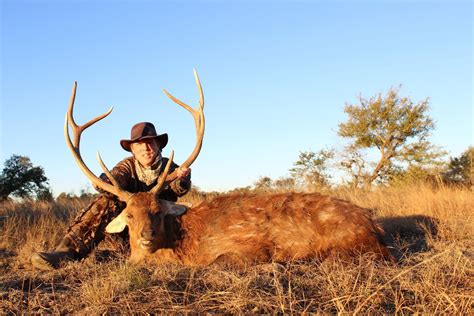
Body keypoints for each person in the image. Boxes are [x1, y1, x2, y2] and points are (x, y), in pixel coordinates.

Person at [31, 122, 191, 270]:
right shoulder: (127, 166)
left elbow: (178, 189)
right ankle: (66, 252)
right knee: (106, 202)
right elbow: (116, 178)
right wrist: (105, 182)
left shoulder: (170, 167)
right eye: (139, 144)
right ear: (132, 150)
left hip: (160, 228)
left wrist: (182, 180)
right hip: (132, 228)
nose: (146, 147)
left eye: (150, 142)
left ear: (158, 146)